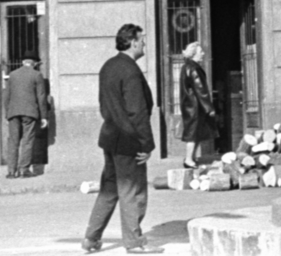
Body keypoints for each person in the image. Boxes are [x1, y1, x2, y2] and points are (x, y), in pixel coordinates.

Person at [83, 24, 160, 254]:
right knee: (133, 192)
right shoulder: (131, 71)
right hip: (129, 140)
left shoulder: (108, 66)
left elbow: (103, 105)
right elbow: (138, 112)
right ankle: (134, 243)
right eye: (142, 40)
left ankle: (90, 239)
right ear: (133, 42)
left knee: (109, 191)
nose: (144, 44)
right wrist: (146, 144)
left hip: (110, 137)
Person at [3, 54, 49, 178]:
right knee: (27, 141)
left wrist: (7, 113)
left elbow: (6, 96)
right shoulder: (36, 75)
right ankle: (24, 170)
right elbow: (41, 96)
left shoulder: (13, 74)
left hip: (13, 112)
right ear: (34, 63)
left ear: (23, 62)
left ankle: (11, 171)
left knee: (13, 141)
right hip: (30, 112)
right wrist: (44, 116)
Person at [179, 41, 218, 168]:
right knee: (192, 134)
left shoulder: (187, 66)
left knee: (195, 133)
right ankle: (188, 160)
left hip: (191, 105)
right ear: (193, 54)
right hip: (195, 106)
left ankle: (191, 158)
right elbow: (201, 90)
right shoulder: (194, 68)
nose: (203, 53)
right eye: (200, 51)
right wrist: (209, 108)